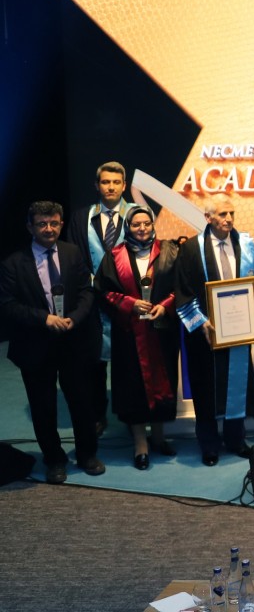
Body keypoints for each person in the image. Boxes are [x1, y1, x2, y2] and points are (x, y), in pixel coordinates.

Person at [0, 201, 104, 482]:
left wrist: (75, 318)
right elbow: (7, 304)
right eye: (42, 224)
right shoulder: (12, 264)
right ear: (30, 227)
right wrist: (43, 319)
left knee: (82, 402)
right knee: (43, 407)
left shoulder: (72, 253)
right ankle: (55, 460)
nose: (49, 229)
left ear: (61, 224)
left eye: (54, 223)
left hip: (73, 341)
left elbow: (86, 292)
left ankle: (87, 454)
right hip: (35, 345)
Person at [174, 194, 254, 466]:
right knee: (205, 388)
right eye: (223, 214)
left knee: (236, 383)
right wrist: (201, 322)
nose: (229, 219)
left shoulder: (245, 244)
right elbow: (183, 290)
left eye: (231, 213)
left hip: (238, 329)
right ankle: (209, 444)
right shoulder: (191, 249)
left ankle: (236, 438)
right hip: (205, 332)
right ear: (208, 218)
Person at [94, 206, 180, 470]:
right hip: (129, 334)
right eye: (136, 224)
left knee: (164, 381)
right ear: (127, 227)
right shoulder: (114, 256)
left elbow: (181, 285)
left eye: (146, 223)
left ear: (153, 225)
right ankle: (140, 443)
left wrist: (165, 305)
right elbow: (102, 291)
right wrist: (129, 304)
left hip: (161, 330)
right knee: (133, 386)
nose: (142, 228)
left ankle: (159, 436)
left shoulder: (170, 251)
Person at [65, 161, 135, 437]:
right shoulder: (81, 217)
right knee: (93, 362)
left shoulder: (137, 213)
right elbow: (73, 256)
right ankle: (97, 415)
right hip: (92, 301)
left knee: (129, 361)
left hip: (127, 300)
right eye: (105, 182)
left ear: (124, 186)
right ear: (97, 185)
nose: (111, 187)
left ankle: (131, 416)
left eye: (116, 182)